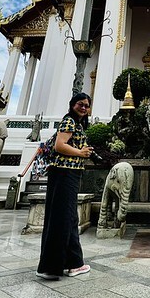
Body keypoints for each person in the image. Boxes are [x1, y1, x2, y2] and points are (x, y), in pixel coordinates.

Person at [36, 92, 95, 280]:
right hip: (64, 172)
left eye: (86, 105)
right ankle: (51, 268)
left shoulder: (76, 123)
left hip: (66, 172)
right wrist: (80, 152)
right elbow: (60, 146)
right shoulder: (69, 121)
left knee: (67, 218)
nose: (84, 108)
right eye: (80, 104)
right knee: (63, 218)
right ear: (72, 104)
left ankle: (73, 263)